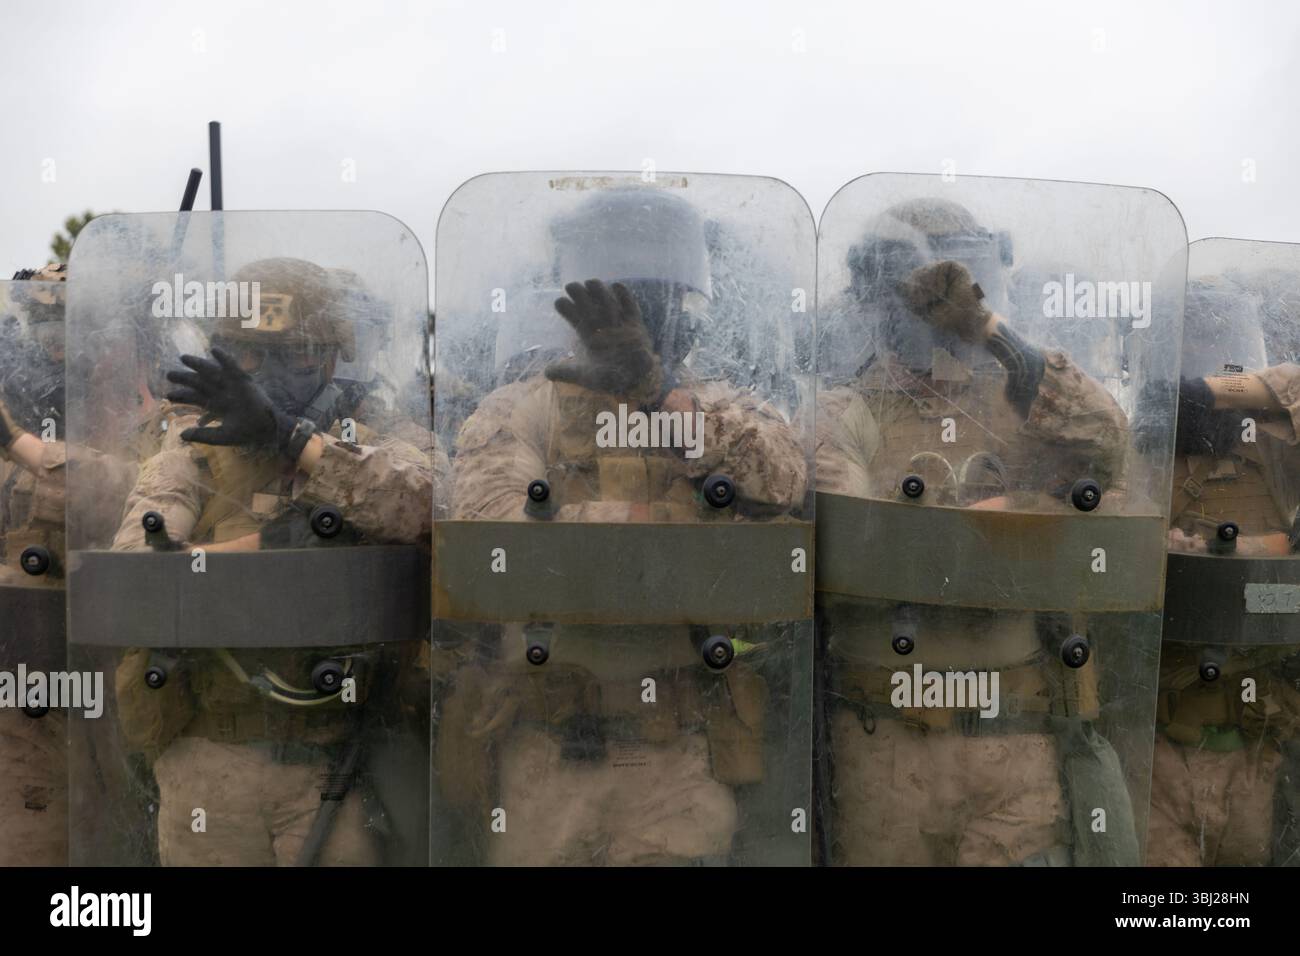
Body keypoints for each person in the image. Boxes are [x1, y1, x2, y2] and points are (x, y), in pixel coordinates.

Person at [433, 183, 811, 865]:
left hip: (681, 750)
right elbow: (495, 539)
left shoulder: (722, 405)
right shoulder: (520, 411)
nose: (644, 318)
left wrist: (657, 397)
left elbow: (781, 482)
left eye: (658, 301)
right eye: (628, 299)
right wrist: (674, 522)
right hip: (546, 750)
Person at [815, 193, 1156, 866]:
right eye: (919, 302)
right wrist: (1021, 517)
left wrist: (997, 337)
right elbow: (861, 548)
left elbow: (1106, 438)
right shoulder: (845, 409)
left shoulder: (1025, 400)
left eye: (955, 299)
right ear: (881, 303)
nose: (934, 324)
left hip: (1016, 746)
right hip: (885, 747)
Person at [105, 254, 433, 866]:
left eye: (299, 356)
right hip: (213, 761)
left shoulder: (380, 437)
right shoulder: (189, 452)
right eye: (252, 357)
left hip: (340, 760)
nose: (274, 374)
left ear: (333, 359)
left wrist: (294, 438)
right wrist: (273, 546)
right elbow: (136, 589)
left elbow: (431, 511)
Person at [1145, 262, 1300, 866]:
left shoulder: (1275, 455)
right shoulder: (1142, 451)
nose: (1209, 365)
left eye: (1223, 355)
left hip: (1261, 746)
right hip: (1159, 744)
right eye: (1193, 353)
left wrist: (1213, 391)